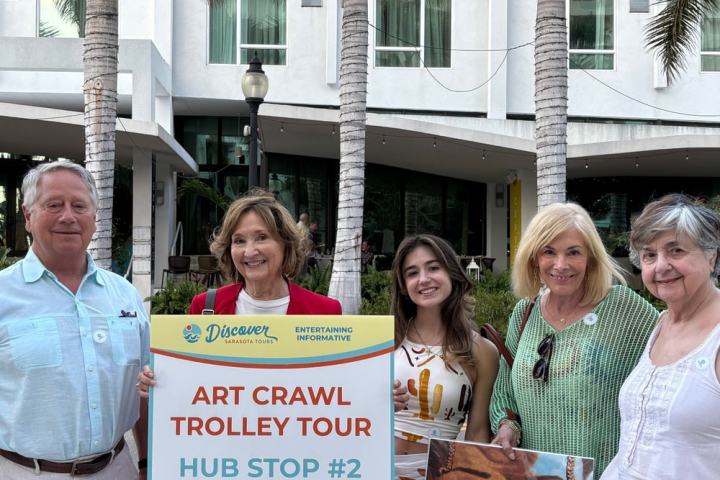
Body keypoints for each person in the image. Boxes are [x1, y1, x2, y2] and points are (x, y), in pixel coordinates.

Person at [0, 160, 149, 479]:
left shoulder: (125, 295)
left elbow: (144, 388)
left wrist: (147, 462)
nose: (68, 216)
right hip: (24, 472)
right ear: (28, 216)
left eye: (79, 205)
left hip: (116, 469)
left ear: (94, 218)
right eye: (53, 204)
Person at [489, 202, 658, 478]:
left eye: (573, 252)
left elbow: (672, 362)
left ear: (590, 257)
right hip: (534, 473)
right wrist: (507, 426)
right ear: (534, 258)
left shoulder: (623, 308)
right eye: (549, 252)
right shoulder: (525, 312)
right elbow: (505, 387)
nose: (560, 265)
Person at [138, 191, 341, 395]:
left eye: (261, 238)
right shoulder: (205, 307)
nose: (249, 251)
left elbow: (337, 390)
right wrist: (159, 383)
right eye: (239, 241)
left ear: (285, 243)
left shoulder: (324, 311)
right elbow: (190, 388)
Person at [602, 194, 720, 479]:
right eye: (649, 255)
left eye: (676, 250)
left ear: (711, 257)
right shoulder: (661, 323)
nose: (661, 266)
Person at [391, 234, 499, 480]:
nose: (424, 279)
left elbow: (478, 433)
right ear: (403, 286)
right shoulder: (385, 339)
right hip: (371, 468)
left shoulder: (482, 351)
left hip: (438, 474)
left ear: (452, 272)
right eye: (412, 272)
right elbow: (351, 411)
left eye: (433, 268)